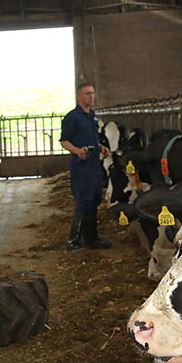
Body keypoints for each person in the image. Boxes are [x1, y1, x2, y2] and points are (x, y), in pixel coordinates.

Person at [59, 82, 111, 250]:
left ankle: (91, 239)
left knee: (95, 199)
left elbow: (92, 138)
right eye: (88, 93)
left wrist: (100, 147)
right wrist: (77, 151)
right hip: (82, 166)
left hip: (94, 165)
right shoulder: (72, 117)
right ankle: (72, 241)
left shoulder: (92, 116)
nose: (91, 96)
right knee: (84, 200)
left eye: (92, 93)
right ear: (79, 96)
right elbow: (64, 141)